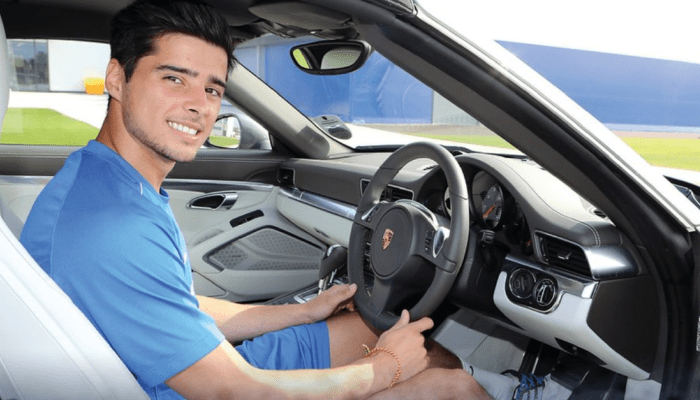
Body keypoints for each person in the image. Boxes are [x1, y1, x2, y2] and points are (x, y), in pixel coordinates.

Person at [19, 0, 567, 399]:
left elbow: (172, 305)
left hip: (165, 370)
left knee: (369, 326)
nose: (199, 106)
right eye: (174, 79)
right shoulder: (113, 226)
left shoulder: (104, 183)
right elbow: (234, 391)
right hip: (193, 387)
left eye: (212, 88)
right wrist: (385, 370)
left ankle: (499, 386)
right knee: (447, 388)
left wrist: (300, 312)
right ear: (117, 79)